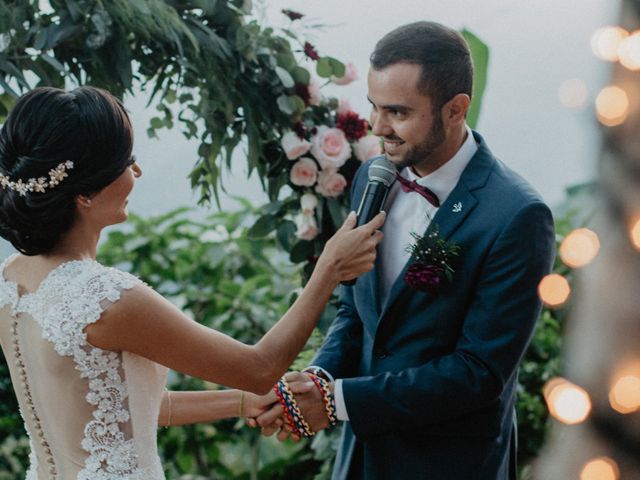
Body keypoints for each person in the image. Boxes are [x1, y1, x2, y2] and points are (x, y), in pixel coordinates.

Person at [0, 86, 385, 479]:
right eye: (126, 160)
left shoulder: (11, 280)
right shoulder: (103, 299)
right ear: (84, 192)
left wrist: (242, 403)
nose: (137, 172)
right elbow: (259, 368)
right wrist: (329, 270)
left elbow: (131, 408)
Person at [255, 21, 556, 480]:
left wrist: (338, 401)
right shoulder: (372, 176)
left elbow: (478, 372)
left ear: (455, 109)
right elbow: (354, 311)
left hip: (451, 464)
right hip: (359, 458)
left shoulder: (518, 215)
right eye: (374, 108)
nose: (378, 128)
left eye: (397, 112)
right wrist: (318, 379)